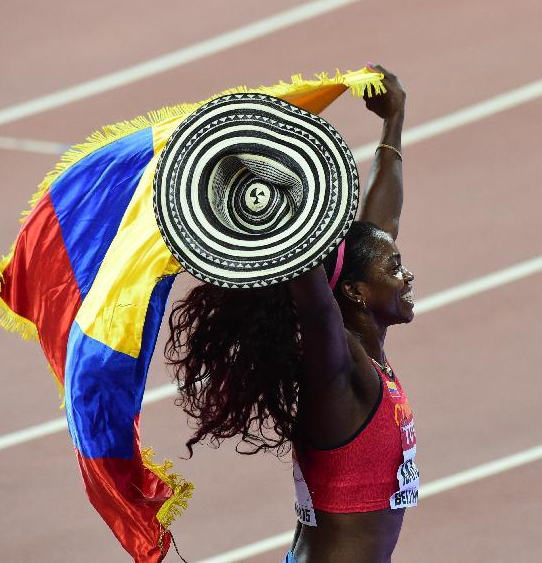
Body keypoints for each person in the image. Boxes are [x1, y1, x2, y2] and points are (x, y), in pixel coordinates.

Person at [165, 65, 416, 563]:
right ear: (356, 293)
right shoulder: (340, 370)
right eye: (395, 269)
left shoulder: (362, 347)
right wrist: (287, 228)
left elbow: (380, 226)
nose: (407, 276)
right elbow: (316, 305)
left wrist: (394, 121)